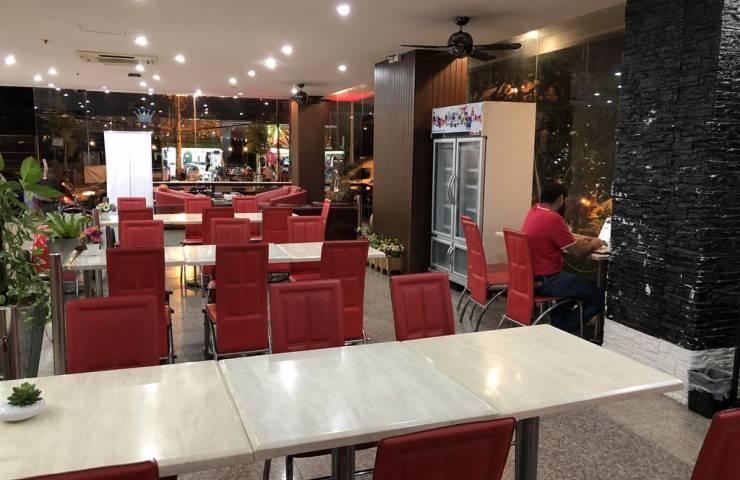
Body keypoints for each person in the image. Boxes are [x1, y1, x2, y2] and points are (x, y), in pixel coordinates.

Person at [521, 183, 606, 334]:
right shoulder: (553, 218)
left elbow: (549, 237)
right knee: (599, 296)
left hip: (531, 279)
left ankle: (558, 322)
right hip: (548, 281)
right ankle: (564, 328)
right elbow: (578, 254)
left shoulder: (534, 211)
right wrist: (595, 244)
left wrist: (575, 241)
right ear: (561, 198)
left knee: (574, 285)